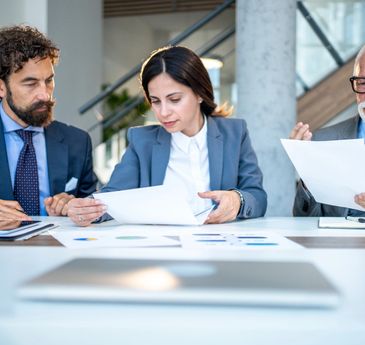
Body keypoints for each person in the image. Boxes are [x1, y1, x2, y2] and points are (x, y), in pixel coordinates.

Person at [68, 46, 267, 226]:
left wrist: (237, 200)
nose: (163, 112)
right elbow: (113, 197)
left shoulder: (234, 133)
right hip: (162, 247)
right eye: (155, 101)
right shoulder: (142, 141)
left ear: (200, 94)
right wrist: (87, 209)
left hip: (220, 245)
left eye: (174, 99)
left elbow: (257, 197)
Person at [0, 25, 97, 220]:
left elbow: (93, 205)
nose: (45, 94)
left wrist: (78, 208)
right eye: (30, 83)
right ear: (1, 88)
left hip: (56, 249)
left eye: (49, 81)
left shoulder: (77, 142)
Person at [290, 45, 365, 216]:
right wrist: (308, 175)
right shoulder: (323, 140)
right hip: (337, 243)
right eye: (362, 83)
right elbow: (304, 221)